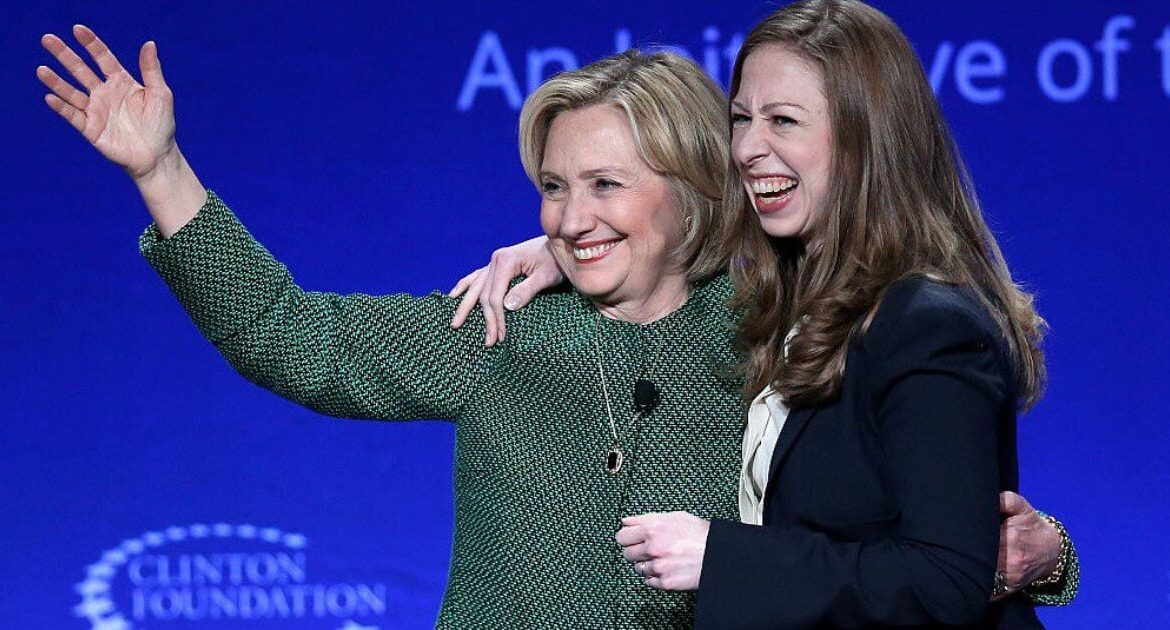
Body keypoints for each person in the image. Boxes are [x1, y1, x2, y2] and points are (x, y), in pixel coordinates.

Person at [38, 17, 1072, 630]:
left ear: (692, 191)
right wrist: (160, 171)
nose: (570, 218)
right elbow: (288, 334)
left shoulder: (779, 331)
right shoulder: (502, 329)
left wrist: (1051, 552)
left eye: (606, 184)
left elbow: (908, 528)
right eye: (553, 187)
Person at [448, 1, 1079, 626]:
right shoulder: (783, 299)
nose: (749, 146)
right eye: (742, 118)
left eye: (783, 120)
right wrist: (575, 244)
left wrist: (722, 557)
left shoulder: (923, 322)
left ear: (865, 137)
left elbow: (945, 580)